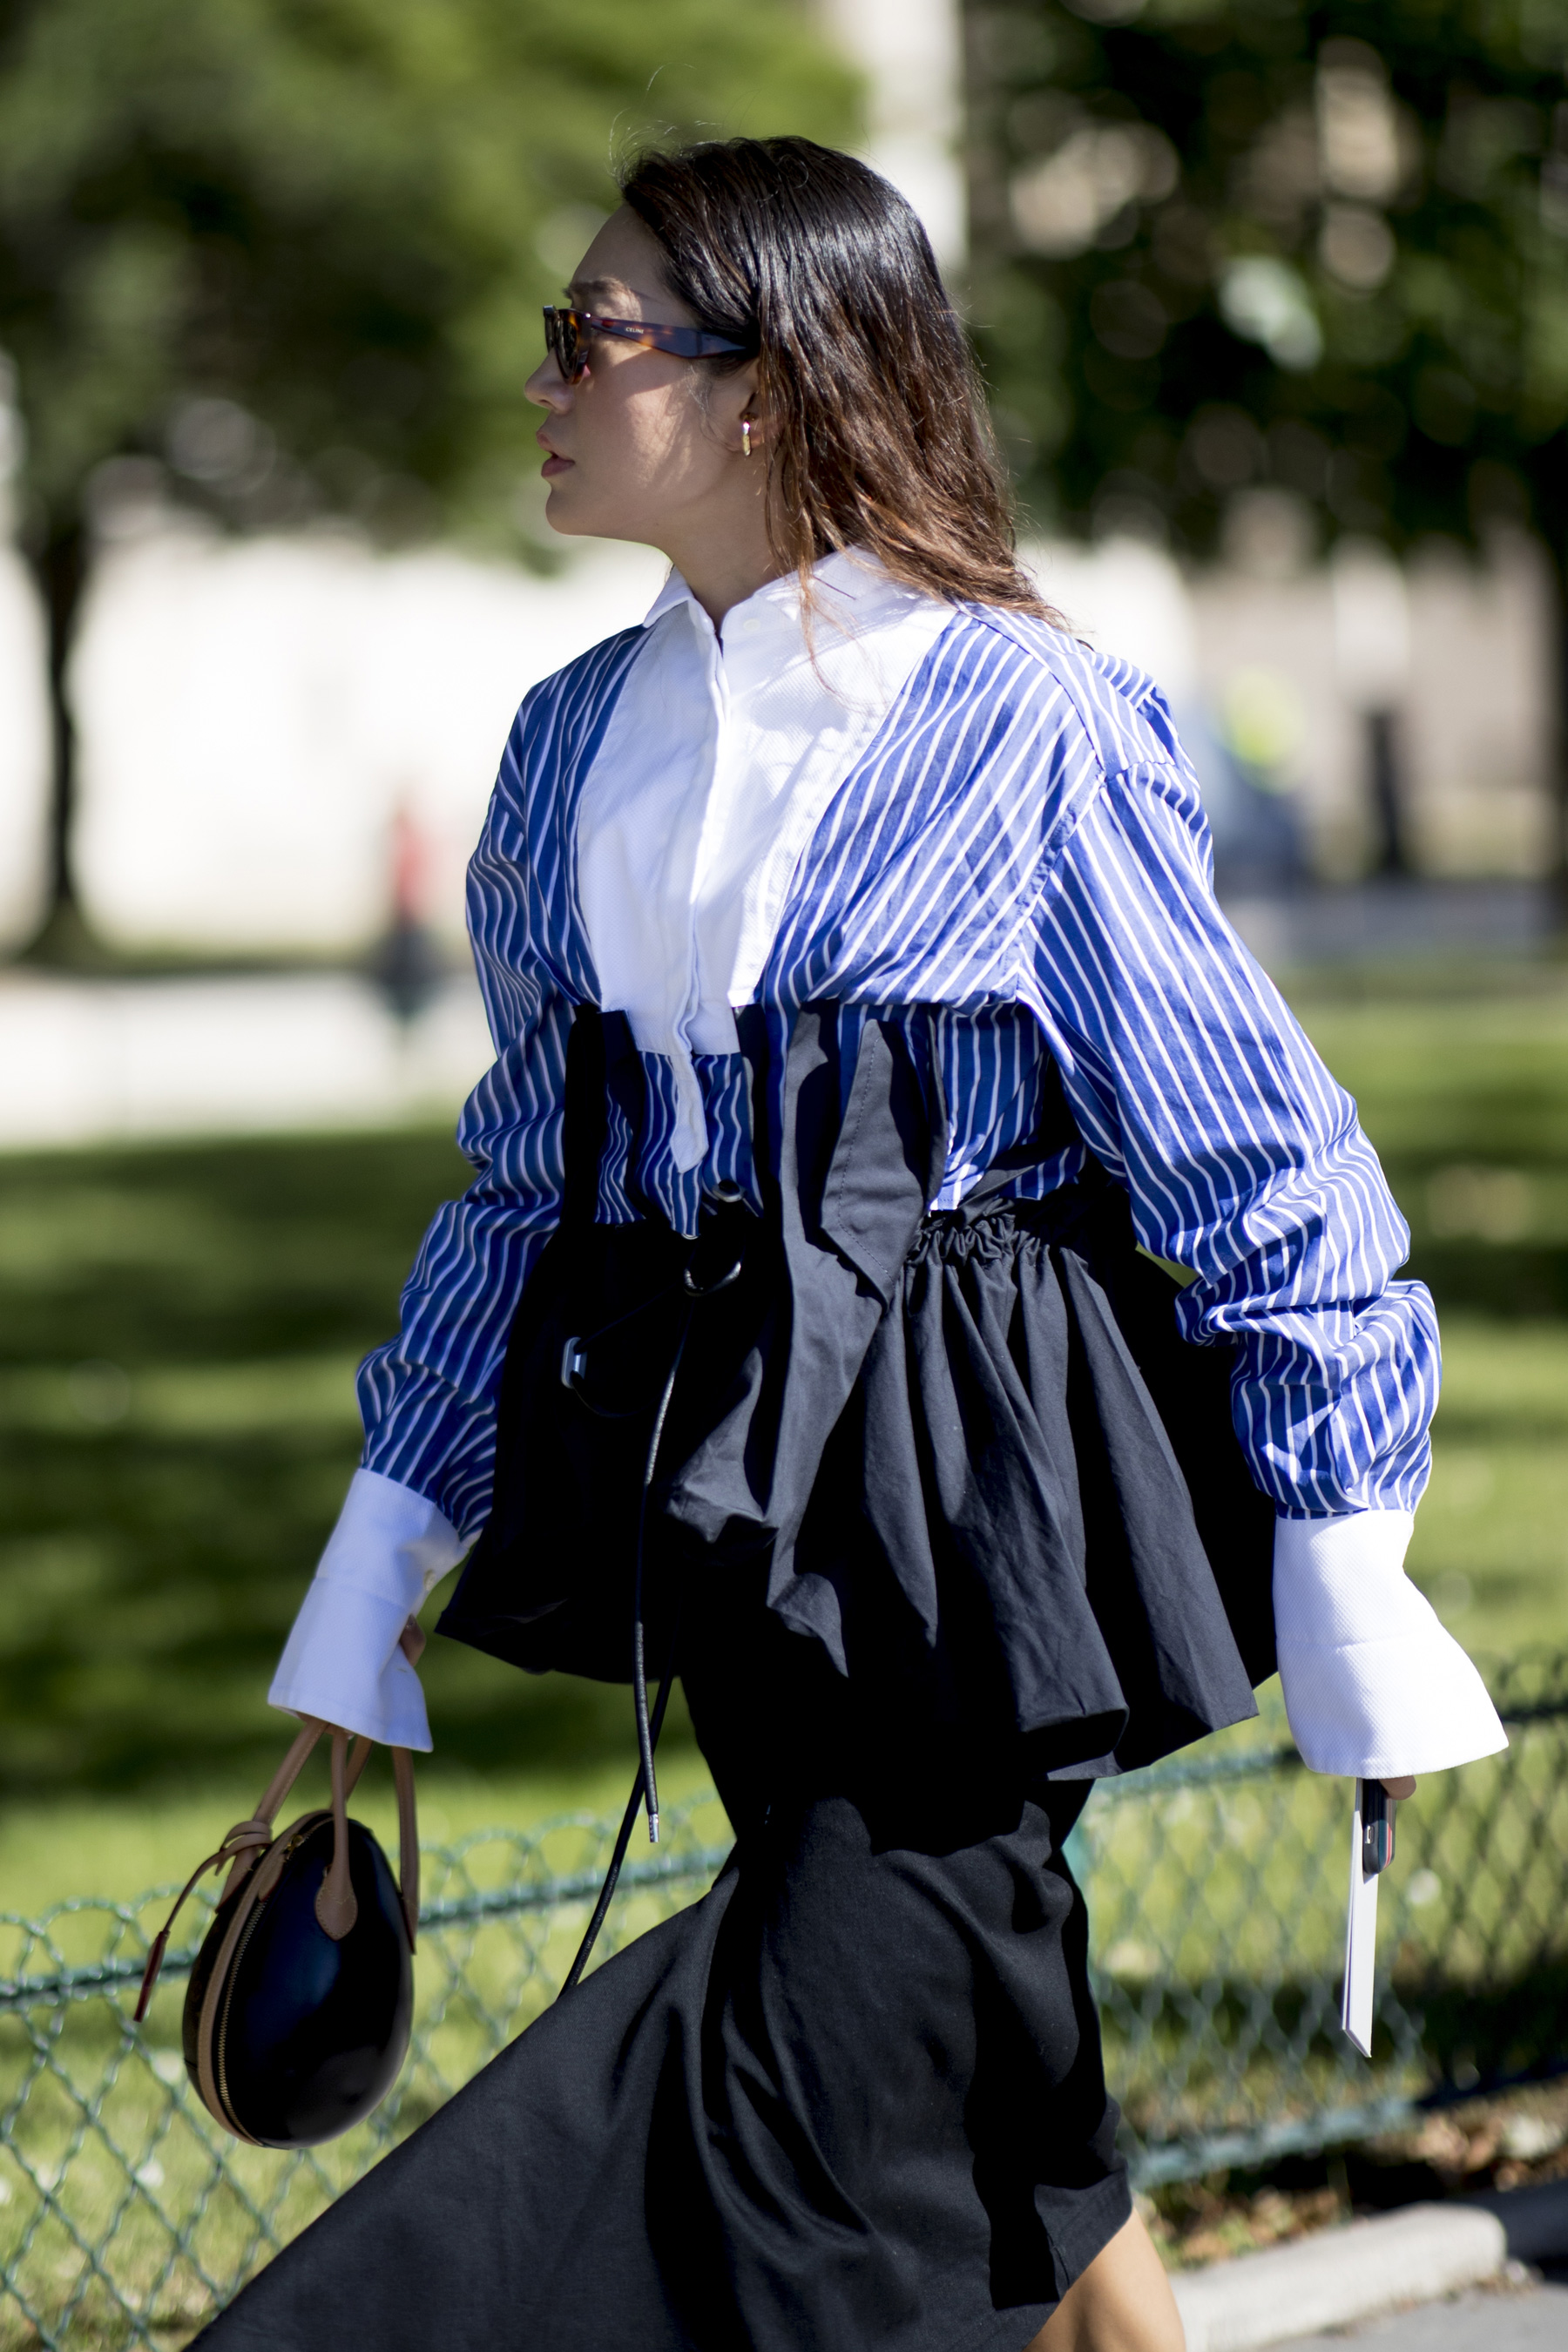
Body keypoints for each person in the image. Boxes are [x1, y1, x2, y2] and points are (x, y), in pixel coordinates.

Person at [198, 136, 1505, 2352]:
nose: (544, 380)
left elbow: (1249, 1144)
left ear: (764, 392)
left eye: (589, 338)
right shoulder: (564, 754)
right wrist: (372, 1560)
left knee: (805, 2102)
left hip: (977, 1497)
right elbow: (531, 1176)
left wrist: (1349, 1547)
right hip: (711, 1486)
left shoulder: (1027, 720)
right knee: (967, 2037)